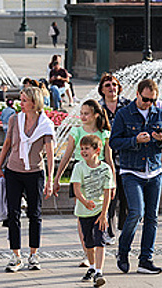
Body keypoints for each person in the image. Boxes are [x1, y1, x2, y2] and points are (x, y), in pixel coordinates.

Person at [109, 79, 162, 275]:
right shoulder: (124, 113)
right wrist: (134, 140)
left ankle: (146, 259)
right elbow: (114, 142)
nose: (148, 103)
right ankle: (123, 251)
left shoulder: (159, 113)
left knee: (152, 217)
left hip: (154, 171)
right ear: (137, 94)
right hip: (131, 170)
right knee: (136, 212)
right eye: (145, 99)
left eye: (152, 100)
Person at [0, 86, 55, 273]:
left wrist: (50, 179)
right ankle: (16, 255)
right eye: (20, 100)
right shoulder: (15, 119)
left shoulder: (45, 124)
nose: (20, 104)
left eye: (24, 101)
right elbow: (7, 143)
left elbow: (51, 153)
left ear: (34, 103)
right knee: (13, 214)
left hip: (35, 173)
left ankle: (34, 254)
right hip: (13, 170)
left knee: (34, 214)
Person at [53, 99, 114, 267]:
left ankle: (97, 248)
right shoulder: (76, 131)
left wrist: (113, 181)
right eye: (81, 113)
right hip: (81, 175)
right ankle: (88, 252)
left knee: (99, 213)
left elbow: (109, 159)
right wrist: (57, 177)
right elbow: (66, 156)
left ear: (96, 115)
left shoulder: (104, 133)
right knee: (82, 216)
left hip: (100, 175)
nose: (83, 116)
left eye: (86, 113)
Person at [72, 135, 114, 287]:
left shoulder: (105, 169)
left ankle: (99, 271)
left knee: (100, 241)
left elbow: (108, 192)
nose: (83, 151)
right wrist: (84, 201)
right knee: (88, 243)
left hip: (99, 211)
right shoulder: (79, 167)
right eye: (82, 148)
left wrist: (104, 214)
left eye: (87, 148)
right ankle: (91, 266)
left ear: (97, 150)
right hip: (84, 211)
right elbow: (76, 188)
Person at [97, 73, 131, 245]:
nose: (112, 88)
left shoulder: (127, 105)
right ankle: (108, 231)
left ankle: (124, 229)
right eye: (108, 85)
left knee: (125, 197)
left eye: (115, 85)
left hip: (125, 158)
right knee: (109, 196)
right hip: (104, 160)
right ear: (102, 90)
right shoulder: (98, 108)